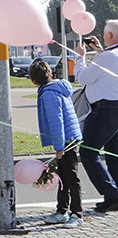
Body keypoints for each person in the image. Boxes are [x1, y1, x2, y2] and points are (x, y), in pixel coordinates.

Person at [28, 59, 84, 227]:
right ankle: (62, 211)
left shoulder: (48, 94)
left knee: (71, 178)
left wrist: (59, 147)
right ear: (50, 74)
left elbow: (56, 122)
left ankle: (77, 214)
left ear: (33, 80)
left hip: (66, 140)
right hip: (69, 137)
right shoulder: (55, 89)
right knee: (63, 177)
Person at [75, 21, 118, 213]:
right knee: (113, 154)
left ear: (109, 36)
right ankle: (113, 196)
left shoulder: (108, 57)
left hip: (105, 109)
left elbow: (83, 77)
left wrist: (79, 58)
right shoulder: (109, 56)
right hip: (114, 108)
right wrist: (101, 51)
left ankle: (112, 193)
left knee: (88, 152)